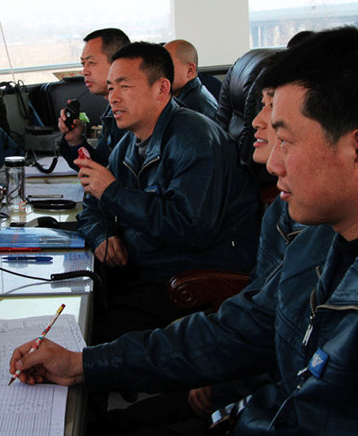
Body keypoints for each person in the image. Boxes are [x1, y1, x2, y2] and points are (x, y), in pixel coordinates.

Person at [10, 26, 358, 434]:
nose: (272, 162)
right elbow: (243, 328)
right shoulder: (327, 230)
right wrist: (85, 364)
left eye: (285, 138)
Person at [74, 41, 260, 344]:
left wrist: (114, 192)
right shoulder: (128, 143)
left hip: (187, 275)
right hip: (147, 264)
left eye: (125, 86)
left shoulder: (195, 140)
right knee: (79, 304)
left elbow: (191, 228)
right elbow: (92, 207)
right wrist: (101, 236)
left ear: (161, 89)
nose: (114, 98)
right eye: (110, 88)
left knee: (89, 336)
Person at [59, 28, 130, 169]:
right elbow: (102, 166)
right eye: (83, 64)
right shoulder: (111, 110)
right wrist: (75, 141)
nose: (84, 71)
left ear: (117, 63)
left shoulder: (136, 112)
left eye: (91, 63)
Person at [164, 39, 218, 119]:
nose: (162, 73)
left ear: (190, 70)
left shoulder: (192, 107)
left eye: (167, 66)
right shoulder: (189, 97)